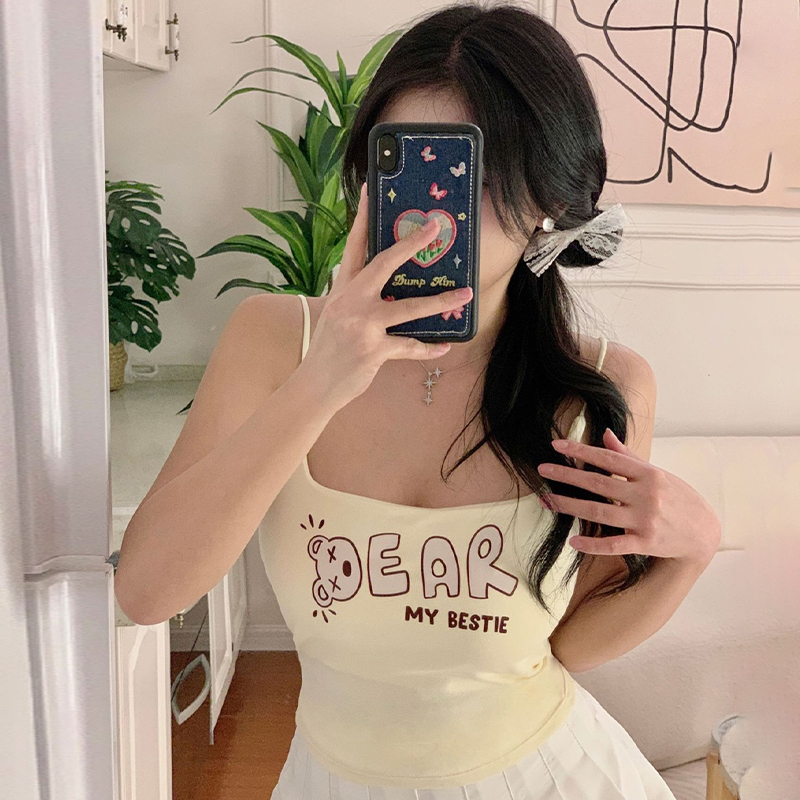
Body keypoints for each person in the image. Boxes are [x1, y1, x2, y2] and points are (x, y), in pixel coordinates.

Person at [115, 3, 722, 798]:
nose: (436, 217)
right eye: (407, 167)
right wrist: (320, 383)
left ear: (547, 201)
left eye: (476, 180)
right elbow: (147, 592)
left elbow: (567, 645)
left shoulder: (598, 387)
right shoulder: (274, 342)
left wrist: (691, 555)